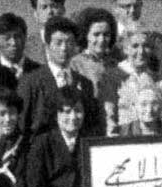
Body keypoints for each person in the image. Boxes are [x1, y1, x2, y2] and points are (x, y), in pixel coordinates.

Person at [17, 16, 104, 147]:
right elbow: (22, 127)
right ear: (47, 46)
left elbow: (90, 127)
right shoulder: (30, 81)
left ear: (75, 46)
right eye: (58, 43)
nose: (64, 48)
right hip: (41, 155)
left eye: (69, 43)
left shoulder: (85, 83)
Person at [112, 29, 160, 132]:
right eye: (135, 46)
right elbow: (109, 116)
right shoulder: (112, 77)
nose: (141, 51)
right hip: (124, 137)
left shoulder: (156, 78)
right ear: (125, 49)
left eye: (146, 46)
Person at [68, 7, 122, 97]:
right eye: (96, 34)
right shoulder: (75, 64)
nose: (102, 40)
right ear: (86, 35)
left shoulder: (115, 65)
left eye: (106, 34)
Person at [0, 12, 41, 82]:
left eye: (17, 37)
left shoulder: (40, 72)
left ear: (25, 37)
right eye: (7, 38)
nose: (13, 43)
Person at [24, 0, 67, 65]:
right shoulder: (25, 47)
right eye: (44, 7)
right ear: (36, 14)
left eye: (54, 6)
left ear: (63, 10)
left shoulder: (77, 44)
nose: (50, 12)